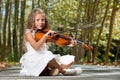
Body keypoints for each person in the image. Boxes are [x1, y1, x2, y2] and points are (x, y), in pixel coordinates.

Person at [20, 8, 82, 76]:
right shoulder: (28, 33)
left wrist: (69, 43)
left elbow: (56, 41)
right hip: (34, 61)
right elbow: (36, 47)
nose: (40, 22)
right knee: (48, 56)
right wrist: (45, 36)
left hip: (45, 61)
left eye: (42, 20)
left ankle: (50, 71)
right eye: (37, 20)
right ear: (32, 21)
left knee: (69, 61)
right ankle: (63, 71)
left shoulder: (43, 32)